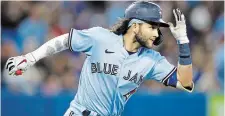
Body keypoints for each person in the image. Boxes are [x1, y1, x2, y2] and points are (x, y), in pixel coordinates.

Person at [5, 1, 194, 116]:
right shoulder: (101, 38)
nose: (156, 33)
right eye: (152, 26)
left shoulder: (152, 60)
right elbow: (64, 41)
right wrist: (30, 57)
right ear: (135, 26)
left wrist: (183, 40)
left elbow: (185, 83)